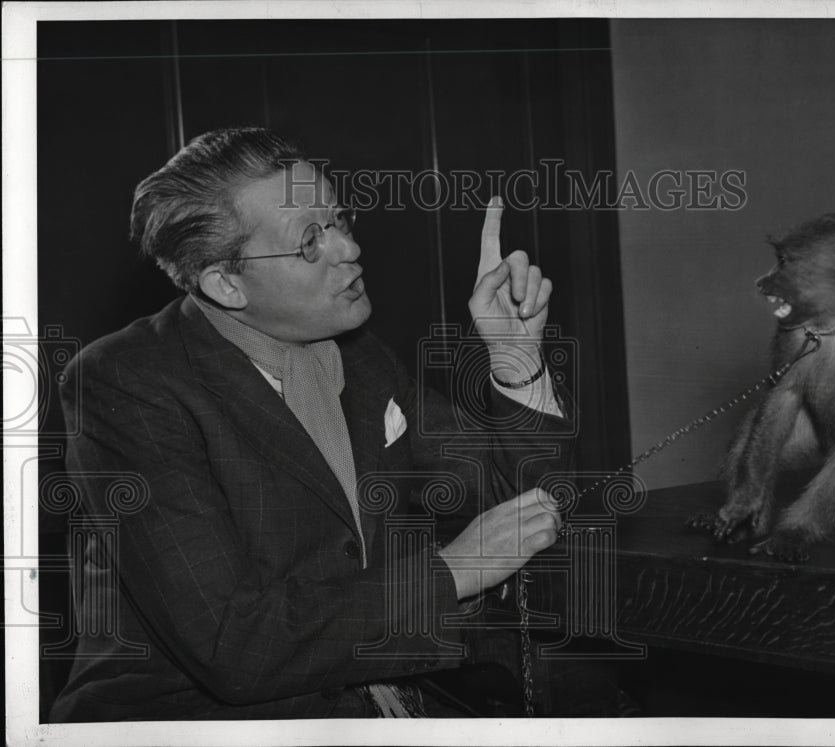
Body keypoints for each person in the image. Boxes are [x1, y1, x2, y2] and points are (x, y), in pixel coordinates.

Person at [50, 127, 573, 721]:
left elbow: (525, 506)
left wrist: (516, 360)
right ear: (225, 282)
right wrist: (455, 568)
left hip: (378, 697)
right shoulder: (126, 381)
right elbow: (237, 647)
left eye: (340, 221)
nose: (347, 250)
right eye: (308, 243)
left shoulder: (362, 356)